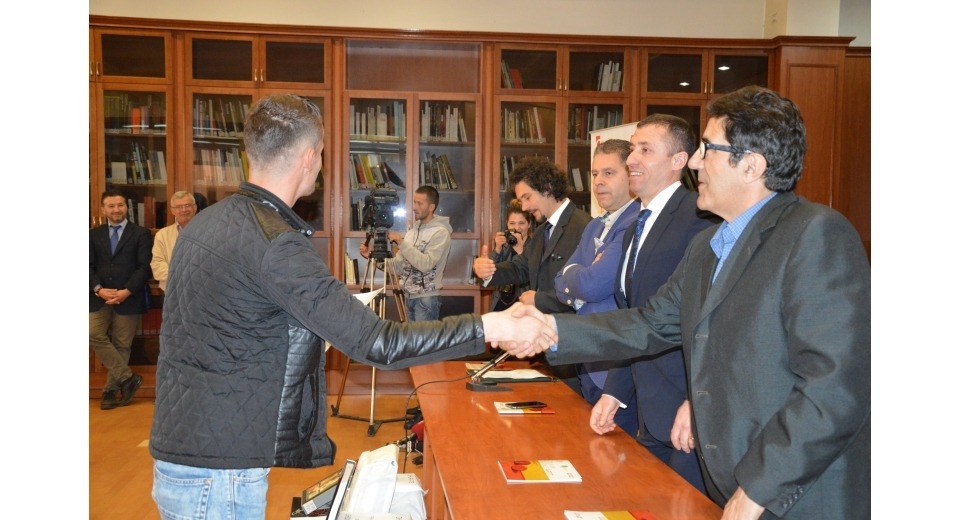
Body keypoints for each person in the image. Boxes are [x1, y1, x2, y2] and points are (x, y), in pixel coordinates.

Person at [148, 94, 553, 520]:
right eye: (322, 153)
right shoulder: (275, 242)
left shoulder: (207, 222)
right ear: (310, 157)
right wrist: (491, 326)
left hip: (189, 445)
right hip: (220, 468)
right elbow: (378, 341)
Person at [512, 86, 870, 519]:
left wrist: (759, 487)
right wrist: (551, 330)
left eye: (708, 149)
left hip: (795, 495)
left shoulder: (815, 235)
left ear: (752, 166)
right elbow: (649, 323)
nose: (696, 162)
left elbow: (834, 387)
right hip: (732, 479)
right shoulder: (708, 245)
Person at [591, 114, 716, 494]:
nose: (631, 159)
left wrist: (697, 401)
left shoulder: (701, 219)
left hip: (686, 415)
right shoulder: (635, 227)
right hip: (645, 410)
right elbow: (635, 318)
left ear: (679, 160)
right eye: (632, 149)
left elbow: (711, 320)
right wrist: (614, 391)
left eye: (645, 150)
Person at [472, 155, 591, 390]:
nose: (525, 207)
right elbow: (521, 267)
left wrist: (539, 300)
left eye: (527, 197)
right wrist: (488, 270)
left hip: (571, 352)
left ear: (547, 188)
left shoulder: (584, 227)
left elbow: (584, 291)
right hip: (544, 349)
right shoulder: (542, 231)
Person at [553, 138, 640, 436]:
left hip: (615, 368)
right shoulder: (593, 226)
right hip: (588, 360)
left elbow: (592, 285)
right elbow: (558, 283)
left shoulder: (634, 223)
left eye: (609, 173)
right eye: (594, 174)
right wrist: (578, 278)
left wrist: (576, 277)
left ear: (630, 175)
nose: (598, 181)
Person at [90, 190, 153, 410]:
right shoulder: (93, 234)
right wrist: (98, 289)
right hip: (100, 298)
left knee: (122, 344)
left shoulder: (141, 233)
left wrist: (127, 291)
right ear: (103, 209)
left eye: (120, 205)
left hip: (129, 297)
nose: (116, 210)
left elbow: (144, 267)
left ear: (126, 207)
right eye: (111, 206)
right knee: (92, 333)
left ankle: (110, 391)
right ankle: (127, 378)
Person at [359, 185, 451, 321]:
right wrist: (372, 256)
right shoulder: (411, 233)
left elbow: (426, 264)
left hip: (427, 300)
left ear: (431, 207)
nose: (414, 207)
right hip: (408, 298)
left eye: (419, 203)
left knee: (423, 336)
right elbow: (398, 267)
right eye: (414, 202)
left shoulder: (440, 233)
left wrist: (401, 242)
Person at [489, 199, 533, 312]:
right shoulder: (505, 244)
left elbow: (535, 278)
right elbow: (490, 274)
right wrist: (497, 248)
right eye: (512, 223)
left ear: (529, 224)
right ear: (507, 224)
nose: (517, 228)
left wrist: (521, 252)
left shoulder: (535, 246)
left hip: (524, 304)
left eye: (521, 223)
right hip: (501, 302)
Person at [150, 191, 198, 292]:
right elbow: (157, 264)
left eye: (187, 205)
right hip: (171, 291)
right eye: (179, 207)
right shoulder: (162, 235)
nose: (184, 210)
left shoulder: (207, 232)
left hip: (200, 291)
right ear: (172, 210)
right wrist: (180, 278)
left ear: (195, 207)